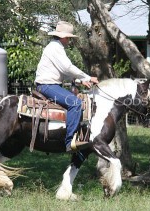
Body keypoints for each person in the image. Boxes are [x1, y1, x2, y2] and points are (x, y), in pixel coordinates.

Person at [35, 21, 99, 153]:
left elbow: (62, 70)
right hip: (47, 85)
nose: (69, 41)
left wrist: (80, 81)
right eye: (69, 38)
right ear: (64, 37)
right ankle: (70, 142)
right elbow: (67, 67)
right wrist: (86, 77)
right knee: (75, 103)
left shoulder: (54, 47)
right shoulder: (55, 48)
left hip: (48, 85)